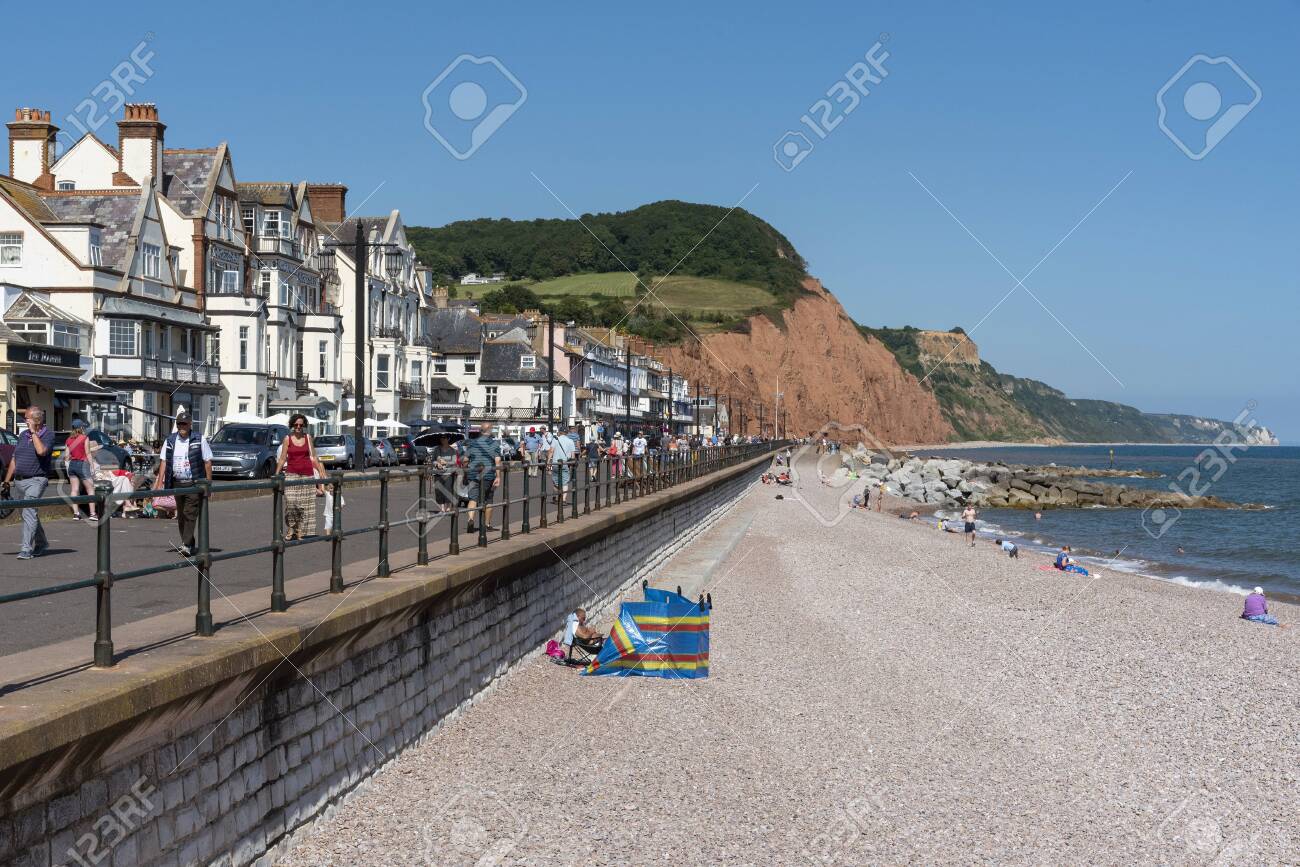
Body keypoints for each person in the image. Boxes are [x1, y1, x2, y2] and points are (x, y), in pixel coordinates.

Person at [152, 407, 213, 557]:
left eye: (185, 424)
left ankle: (186, 545)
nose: (182, 427)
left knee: (189, 513)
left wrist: (208, 484)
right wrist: (159, 483)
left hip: (194, 482)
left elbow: (207, 462)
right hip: (177, 482)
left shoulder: (199, 439)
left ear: (190, 424)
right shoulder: (170, 440)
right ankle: (189, 543)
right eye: (179, 424)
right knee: (181, 516)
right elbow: (164, 462)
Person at [4, 407, 54, 559]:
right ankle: (42, 542)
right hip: (19, 480)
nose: (24, 420)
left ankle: (26, 549)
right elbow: (14, 458)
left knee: (29, 512)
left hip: (37, 480)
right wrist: (6, 480)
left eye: (27, 418)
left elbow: (41, 452)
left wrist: (34, 433)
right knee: (27, 514)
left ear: (37, 420)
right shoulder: (22, 435)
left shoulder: (49, 435)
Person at [275, 413, 327, 541]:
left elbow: (314, 456)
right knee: (291, 502)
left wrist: (321, 472)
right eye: (296, 424)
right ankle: (291, 527)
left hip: (307, 474)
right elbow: (282, 458)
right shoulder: (287, 439)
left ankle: (299, 530)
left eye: (301, 425)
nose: (298, 427)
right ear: (292, 425)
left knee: (304, 505)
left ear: (304, 426)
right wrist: (276, 473)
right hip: (291, 474)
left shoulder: (308, 437)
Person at [462, 423, 500, 533]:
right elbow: (497, 461)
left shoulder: (472, 443)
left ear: (480, 431)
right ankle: (487, 524)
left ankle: (470, 519)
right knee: (488, 499)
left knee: (473, 498)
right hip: (488, 476)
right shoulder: (494, 444)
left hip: (473, 475)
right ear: (490, 430)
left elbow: (465, 460)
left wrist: (466, 472)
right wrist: (498, 476)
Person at [64, 419, 98, 521]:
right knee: (90, 489)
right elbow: (88, 453)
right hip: (83, 465)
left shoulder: (68, 440)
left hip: (72, 465)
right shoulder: (84, 438)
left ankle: (76, 513)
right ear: (81, 428)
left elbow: (66, 456)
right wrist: (92, 465)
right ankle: (92, 514)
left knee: (74, 490)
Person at [548, 423, 579, 502]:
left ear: (559, 432)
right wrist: (572, 465)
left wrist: (548, 462)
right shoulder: (570, 441)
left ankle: (555, 497)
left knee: (556, 481)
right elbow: (573, 455)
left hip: (555, 463)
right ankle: (563, 499)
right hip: (565, 463)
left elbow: (551, 451)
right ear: (567, 433)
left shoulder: (555, 440)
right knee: (565, 482)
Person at [430, 433, 459, 513]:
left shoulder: (452, 450)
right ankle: (442, 507)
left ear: (448, 439)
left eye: (444, 438)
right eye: (441, 438)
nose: (442, 439)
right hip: (438, 473)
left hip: (448, 473)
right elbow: (433, 460)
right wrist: (437, 463)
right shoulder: (437, 449)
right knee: (438, 491)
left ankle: (448, 506)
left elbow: (454, 461)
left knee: (447, 489)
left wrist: (445, 463)